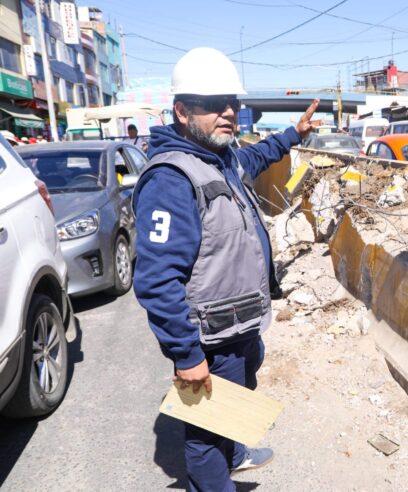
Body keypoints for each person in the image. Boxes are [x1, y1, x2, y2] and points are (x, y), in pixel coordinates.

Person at [132, 47, 320, 492]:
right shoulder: (172, 179)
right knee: (205, 435)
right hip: (209, 337)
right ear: (182, 111)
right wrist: (185, 354)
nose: (229, 112)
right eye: (215, 105)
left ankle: (235, 452)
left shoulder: (224, 159)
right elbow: (157, 280)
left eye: (232, 103)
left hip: (239, 324)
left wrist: (294, 133)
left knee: (236, 402)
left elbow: (258, 157)